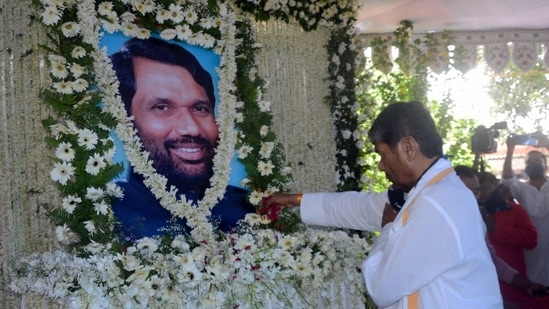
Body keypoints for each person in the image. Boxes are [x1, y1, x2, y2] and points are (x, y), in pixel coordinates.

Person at [265, 101, 503, 308]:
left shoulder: (436, 203)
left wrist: (388, 229)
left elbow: (381, 287)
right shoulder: (432, 190)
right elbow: (361, 208)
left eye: (382, 154)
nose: (380, 165)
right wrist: (296, 200)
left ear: (408, 148)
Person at [109, 37, 255, 238]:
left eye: (200, 108)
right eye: (162, 107)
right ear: (123, 121)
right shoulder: (105, 216)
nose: (191, 128)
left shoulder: (250, 210)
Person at [455, 165, 547, 307]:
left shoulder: (508, 211)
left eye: (478, 190)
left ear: (496, 186)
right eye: (465, 191)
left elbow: (491, 257)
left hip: (509, 291)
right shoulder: (443, 224)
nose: (474, 197)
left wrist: (523, 283)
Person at [501, 132, 549, 286]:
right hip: (532, 251)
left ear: (546, 165)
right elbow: (508, 180)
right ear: (525, 168)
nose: (534, 162)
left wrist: (547, 144)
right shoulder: (522, 188)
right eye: (530, 161)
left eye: (538, 160)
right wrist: (510, 150)